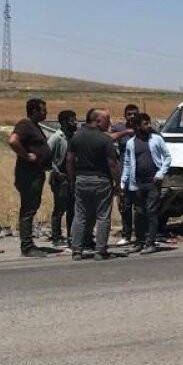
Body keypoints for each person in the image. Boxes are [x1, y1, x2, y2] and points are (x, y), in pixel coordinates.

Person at [67, 108, 121, 260]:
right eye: (107, 120)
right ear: (98, 121)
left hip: (81, 179)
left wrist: (72, 180)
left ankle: (77, 250)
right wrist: (117, 183)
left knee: (80, 215)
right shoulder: (105, 139)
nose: (109, 123)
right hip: (101, 180)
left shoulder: (76, 137)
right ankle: (100, 250)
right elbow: (112, 164)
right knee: (103, 216)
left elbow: (69, 160)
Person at [121, 113, 172, 254]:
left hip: (153, 182)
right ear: (138, 126)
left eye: (149, 123)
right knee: (139, 213)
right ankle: (139, 242)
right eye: (145, 124)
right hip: (137, 183)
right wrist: (123, 181)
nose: (149, 126)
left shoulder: (156, 139)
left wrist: (161, 173)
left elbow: (167, 157)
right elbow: (127, 163)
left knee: (151, 211)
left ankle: (151, 243)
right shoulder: (131, 143)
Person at [8, 98, 52, 257]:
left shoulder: (34, 126)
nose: (46, 113)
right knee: (28, 209)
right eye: (43, 110)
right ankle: (27, 246)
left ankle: (28, 244)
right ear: (34, 111)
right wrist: (26, 156)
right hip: (28, 174)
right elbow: (13, 141)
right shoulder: (25, 125)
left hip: (35, 173)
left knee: (31, 207)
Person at [47, 110, 79, 246]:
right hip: (60, 178)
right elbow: (46, 157)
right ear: (64, 122)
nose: (75, 123)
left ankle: (71, 236)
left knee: (73, 208)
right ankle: (56, 237)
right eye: (72, 121)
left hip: (72, 178)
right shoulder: (56, 138)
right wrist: (56, 172)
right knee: (59, 209)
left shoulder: (74, 137)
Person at [109, 104, 139, 247]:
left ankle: (142, 234)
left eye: (134, 114)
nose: (132, 116)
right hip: (125, 172)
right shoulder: (119, 128)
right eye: (129, 114)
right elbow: (107, 137)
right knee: (125, 205)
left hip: (141, 173)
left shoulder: (143, 128)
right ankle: (126, 235)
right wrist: (126, 132)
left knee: (141, 206)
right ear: (125, 115)